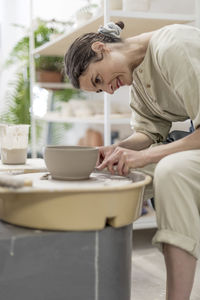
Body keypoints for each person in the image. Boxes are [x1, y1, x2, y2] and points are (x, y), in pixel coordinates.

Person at [64, 21, 200, 300]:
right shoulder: (136, 75)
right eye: (100, 90)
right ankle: (91, 282)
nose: (110, 91)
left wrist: (146, 156)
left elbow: (153, 147)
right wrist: (117, 149)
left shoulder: (173, 46)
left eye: (98, 80)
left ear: (100, 48)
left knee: (171, 170)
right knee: (114, 173)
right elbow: (149, 132)